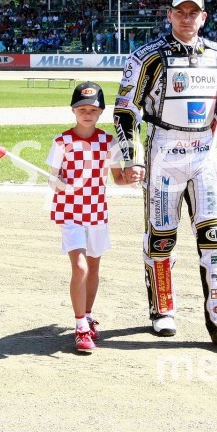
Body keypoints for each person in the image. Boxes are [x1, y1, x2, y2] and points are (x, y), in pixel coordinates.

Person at [113, 0, 217, 345]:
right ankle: (163, 311)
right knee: (162, 237)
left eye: (193, 13)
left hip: (204, 153)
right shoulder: (148, 57)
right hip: (164, 154)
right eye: (180, 12)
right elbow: (125, 110)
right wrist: (131, 157)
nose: (187, 18)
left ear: (203, 17)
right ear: (170, 15)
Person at [46, 82, 130, 352]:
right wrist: (58, 184)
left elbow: (118, 178)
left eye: (93, 109)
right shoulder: (62, 141)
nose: (87, 114)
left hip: (96, 212)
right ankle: (80, 326)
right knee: (80, 267)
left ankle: (89, 315)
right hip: (70, 212)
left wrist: (133, 177)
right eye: (82, 109)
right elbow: (52, 178)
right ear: (73, 110)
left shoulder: (108, 142)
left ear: (101, 111)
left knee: (93, 268)